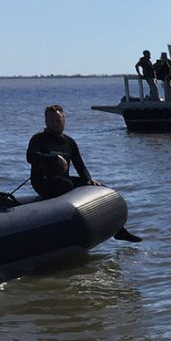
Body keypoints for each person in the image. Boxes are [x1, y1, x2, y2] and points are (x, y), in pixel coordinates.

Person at [26, 104, 142, 242]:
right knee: (67, 184)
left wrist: (89, 180)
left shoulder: (69, 142)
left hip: (63, 180)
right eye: (51, 121)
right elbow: (30, 157)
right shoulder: (38, 139)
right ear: (46, 121)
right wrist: (54, 158)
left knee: (98, 189)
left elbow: (80, 166)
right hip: (43, 182)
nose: (55, 124)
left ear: (64, 120)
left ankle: (119, 230)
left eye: (58, 120)